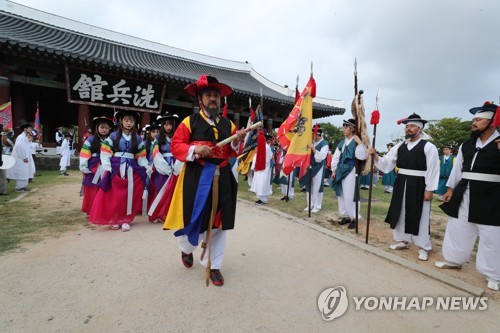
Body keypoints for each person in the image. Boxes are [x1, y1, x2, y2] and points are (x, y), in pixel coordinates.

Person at [164, 74, 246, 287]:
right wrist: (195, 149)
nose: (213, 99)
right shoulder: (188, 122)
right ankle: (186, 248)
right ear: (200, 99)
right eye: (208, 95)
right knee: (192, 219)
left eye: (216, 96)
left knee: (219, 223)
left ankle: (214, 265)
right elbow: (176, 146)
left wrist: (238, 141)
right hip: (196, 177)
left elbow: (234, 152)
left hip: (223, 176)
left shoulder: (229, 124)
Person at [436, 102, 500, 291]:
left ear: (492, 123)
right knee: (458, 227)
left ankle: (494, 274)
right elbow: (458, 169)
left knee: (491, 234)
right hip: (465, 190)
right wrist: (450, 189)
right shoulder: (467, 144)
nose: (473, 123)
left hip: (492, 194)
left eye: (478, 119)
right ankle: (454, 260)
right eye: (473, 119)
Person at [369, 113, 439, 261]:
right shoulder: (400, 146)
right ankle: (403, 240)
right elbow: (387, 163)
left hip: (420, 183)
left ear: (420, 129)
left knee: (420, 214)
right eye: (407, 126)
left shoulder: (429, 147)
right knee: (400, 210)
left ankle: (423, 246)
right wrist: (375, 155)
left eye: (412, 126)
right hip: (401, 181)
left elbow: (433, 169)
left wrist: (430, 189)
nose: (408, 129)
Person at [89, 110, 148, 232]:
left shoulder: (137, 138)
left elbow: (141, 155)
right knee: (115, 194)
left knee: (128, 193)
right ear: (121, 121)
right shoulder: (113, 136)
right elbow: (105, 152)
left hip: (131, 167)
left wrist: (146, 166)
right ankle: (115, 218)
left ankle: (126, 219)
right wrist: (107, 166)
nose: (129, 123)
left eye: (131, 121)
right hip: (116, 167)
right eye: (126, 120)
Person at [330, 119, 368, 229]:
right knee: (341, 193)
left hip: (352, 170)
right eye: (343, 127)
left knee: (350, 195)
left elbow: (362, 156)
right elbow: (336, 157)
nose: (343, 129)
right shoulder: (342, 142)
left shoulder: (357, 141)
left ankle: (355, 217)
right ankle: (346, 215)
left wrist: (360, 143)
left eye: (346, 127)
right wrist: (334, 170)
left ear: (352, 129)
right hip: (341, 169)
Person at [147, 112, 180, 223]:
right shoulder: (158, 138)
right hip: (161, 165)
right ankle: (157, 213)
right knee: (160, 188)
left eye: (170, 124)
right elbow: (155, 152)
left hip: (176, 164)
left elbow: (180, 151)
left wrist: (177, 165)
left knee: (173, 190)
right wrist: (164, 167)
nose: (168, 127)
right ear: (162, 125)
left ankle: (168, 214)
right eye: (166, 124)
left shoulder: (177, 136)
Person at [79, 116, 114, 215]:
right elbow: (84, 154)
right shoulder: (90, 140)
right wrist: (84, 167)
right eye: (102, 127)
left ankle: (105, 209)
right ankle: (92, 209)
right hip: (94, 167)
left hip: (107, 165)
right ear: (97, 128)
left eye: (106, 128)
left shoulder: (112, 140)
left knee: (106, 187)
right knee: (92, 189)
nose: (104, 130)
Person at [301, 126, 330, 213]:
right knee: (309, 184)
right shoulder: (311, 142)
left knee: (317, 185)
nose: (314, 137)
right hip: (310, 165)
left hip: (319, 166)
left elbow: (321, 157)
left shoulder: (324, 143)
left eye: (315, 135)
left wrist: (313, 148)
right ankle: (310, 204)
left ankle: (317, 205)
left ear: (319, 135)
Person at [6, 120, 35, 192]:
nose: (30, 129)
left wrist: (30, 140)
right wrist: (24, 157)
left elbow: (28, 147)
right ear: (25, 129)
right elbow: (19, 147)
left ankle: (23, 186)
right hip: (21, 158)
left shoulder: (25, 137)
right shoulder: (20, 137)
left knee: (25, 171)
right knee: (21, 172)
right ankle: (19, 187)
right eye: (29, 128)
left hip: (25, 158)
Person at [250, 131, 273, 205]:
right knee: (259, 183)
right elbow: (255, 157)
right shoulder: (259, 147)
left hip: (264, 168)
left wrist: (262, 165)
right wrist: (255, 165)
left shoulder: (267, 148)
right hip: (259, 168)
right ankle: (260, 198)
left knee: (263, 183)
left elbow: (268, 158)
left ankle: (263, 199)